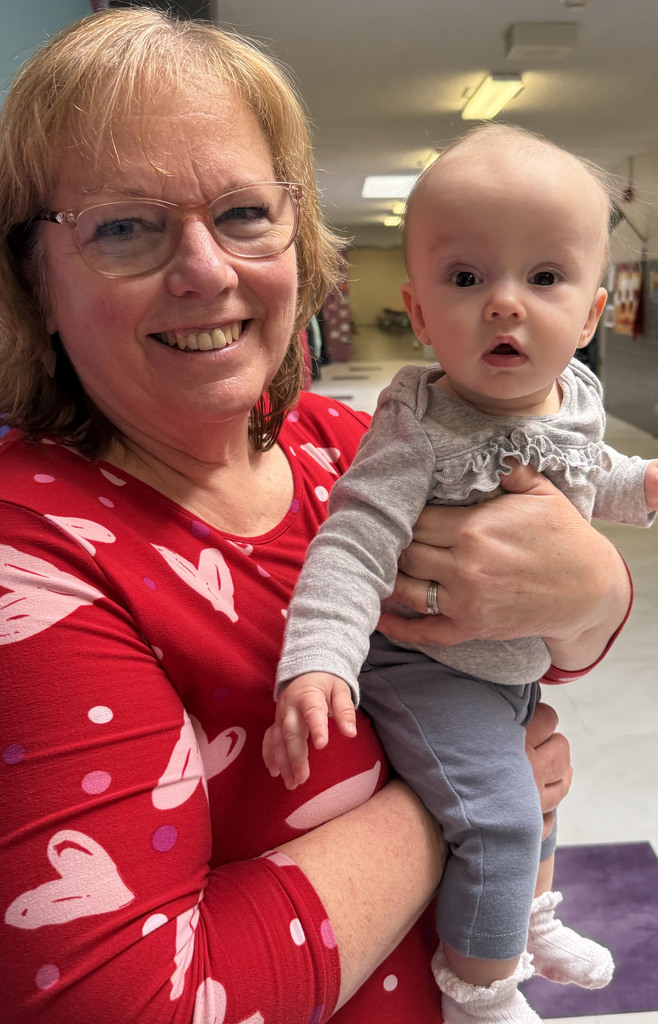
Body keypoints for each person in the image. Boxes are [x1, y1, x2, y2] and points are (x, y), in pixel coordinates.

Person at [0, 12, 632, 1022]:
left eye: (244, 212)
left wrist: (599, 591)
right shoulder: (10, 554)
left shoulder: (345, 442)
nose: (205, 270)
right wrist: (464, 803)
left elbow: (534, 633)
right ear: (35, 272)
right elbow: (125, 1008)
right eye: (124, 225)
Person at [266, 124, 657, 1023]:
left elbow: (594, 482)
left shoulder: (576, 404)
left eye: (545, 278)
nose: (505, 305)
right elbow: (354, 538)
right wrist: (319, 655)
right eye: (467, 279)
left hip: (511, 663)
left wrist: (642, 486)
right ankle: (481, 994)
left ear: (594, 314)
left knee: (544, 789)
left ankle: (533, 916)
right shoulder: (417, 426)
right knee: (504, 818)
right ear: (419, 308)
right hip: (426, 670)